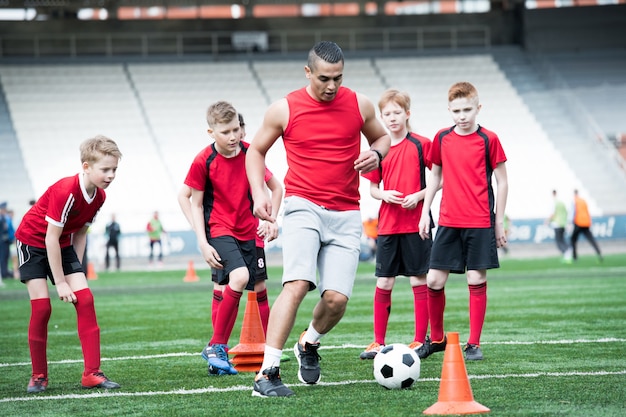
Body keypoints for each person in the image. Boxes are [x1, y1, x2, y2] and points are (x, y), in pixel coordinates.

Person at [246, 41, 391, 397]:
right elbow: (255, 151)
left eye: (338, 78)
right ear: (308, 72)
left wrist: (375, 153)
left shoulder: (359, 103)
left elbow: (383, 137)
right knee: (296, 284)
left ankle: (309, 343)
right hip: (302, 205)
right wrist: (259, 192)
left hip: (346, 211)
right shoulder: (284, 109)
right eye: (324, 78)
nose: (331, 86)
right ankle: (267, 373)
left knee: (337, 301)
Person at [14, 135, 122, 393]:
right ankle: (39, 376)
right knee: (42, 309)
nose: (111, 175)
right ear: (86, 166)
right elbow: (50, 237)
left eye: (114, 169)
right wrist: (61, 282)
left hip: (60, 244)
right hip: (33, 242)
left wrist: (77, 271)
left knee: (85, 300)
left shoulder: (99, 197)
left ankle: (92, 373)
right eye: (105, 169)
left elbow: (80, 234)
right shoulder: (66, 191)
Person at [177, 112, 283, 373]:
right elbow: (194, 201)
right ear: (211, 133)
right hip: (220, 230)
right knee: (235, 278)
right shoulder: (204, 160)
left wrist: (271, 220)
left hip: (250, 232)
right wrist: (202, 240)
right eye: (226, 132)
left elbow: (277, 188)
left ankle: (253, 350)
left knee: (251, 284)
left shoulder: (251, 154)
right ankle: (217, 345)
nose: (234, 136)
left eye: (237, 129)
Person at [418, 81, 508, 362]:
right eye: (456, 110)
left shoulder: (489, 139)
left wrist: (498, 221)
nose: (462, 116)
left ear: (478, 108)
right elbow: (434, 177)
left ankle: (474, 343)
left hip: (480, 221)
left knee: (476, 277)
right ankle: (437, 338)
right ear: (449, 110)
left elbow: (502, 182)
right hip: (447, 221)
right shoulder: (442, 138)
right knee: (433, 280)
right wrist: (424, 211)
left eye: (467, 109)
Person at [359, 89, 434, 360]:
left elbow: (440, 179)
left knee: (418, 279)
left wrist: (419, 196)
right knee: (385, 282)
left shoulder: (422, 144)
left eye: (396, 113)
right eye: (386, 114)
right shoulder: (378, 149)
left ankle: (419, 340)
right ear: (381, 117)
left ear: (407, 114)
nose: (392, 118)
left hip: (417, 225)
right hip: (388, 225)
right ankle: (378, 342)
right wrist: (385, 194)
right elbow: (373, 189)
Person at [570, 189, 602, 262]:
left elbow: (573, 212)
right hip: (586, 222)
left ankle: (575, 257)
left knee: (573, 239)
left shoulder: (575, 201)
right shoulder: (583, 201)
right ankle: (599, 253)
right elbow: (587, 211)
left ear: (574, 194)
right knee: (591, 239)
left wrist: (570, 222)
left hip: (578, 223)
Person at [546, 190, 571, 261]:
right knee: (562, 239)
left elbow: (552, 214)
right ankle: (568, 251)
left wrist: (547, 221)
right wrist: (567, 223)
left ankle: (567, 253)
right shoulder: (562, 203)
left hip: (557, 224)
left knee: (558, 241)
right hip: (563, 224)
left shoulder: (554, 203)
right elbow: (566, 212)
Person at [1, 201, 16, 279]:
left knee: (6, 257)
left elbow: (10, 229)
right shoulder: (3, 218)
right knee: (3, 257)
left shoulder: (5, 217)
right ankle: (3, 273)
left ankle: (5, 272)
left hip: (7, 240)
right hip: (2, 241)